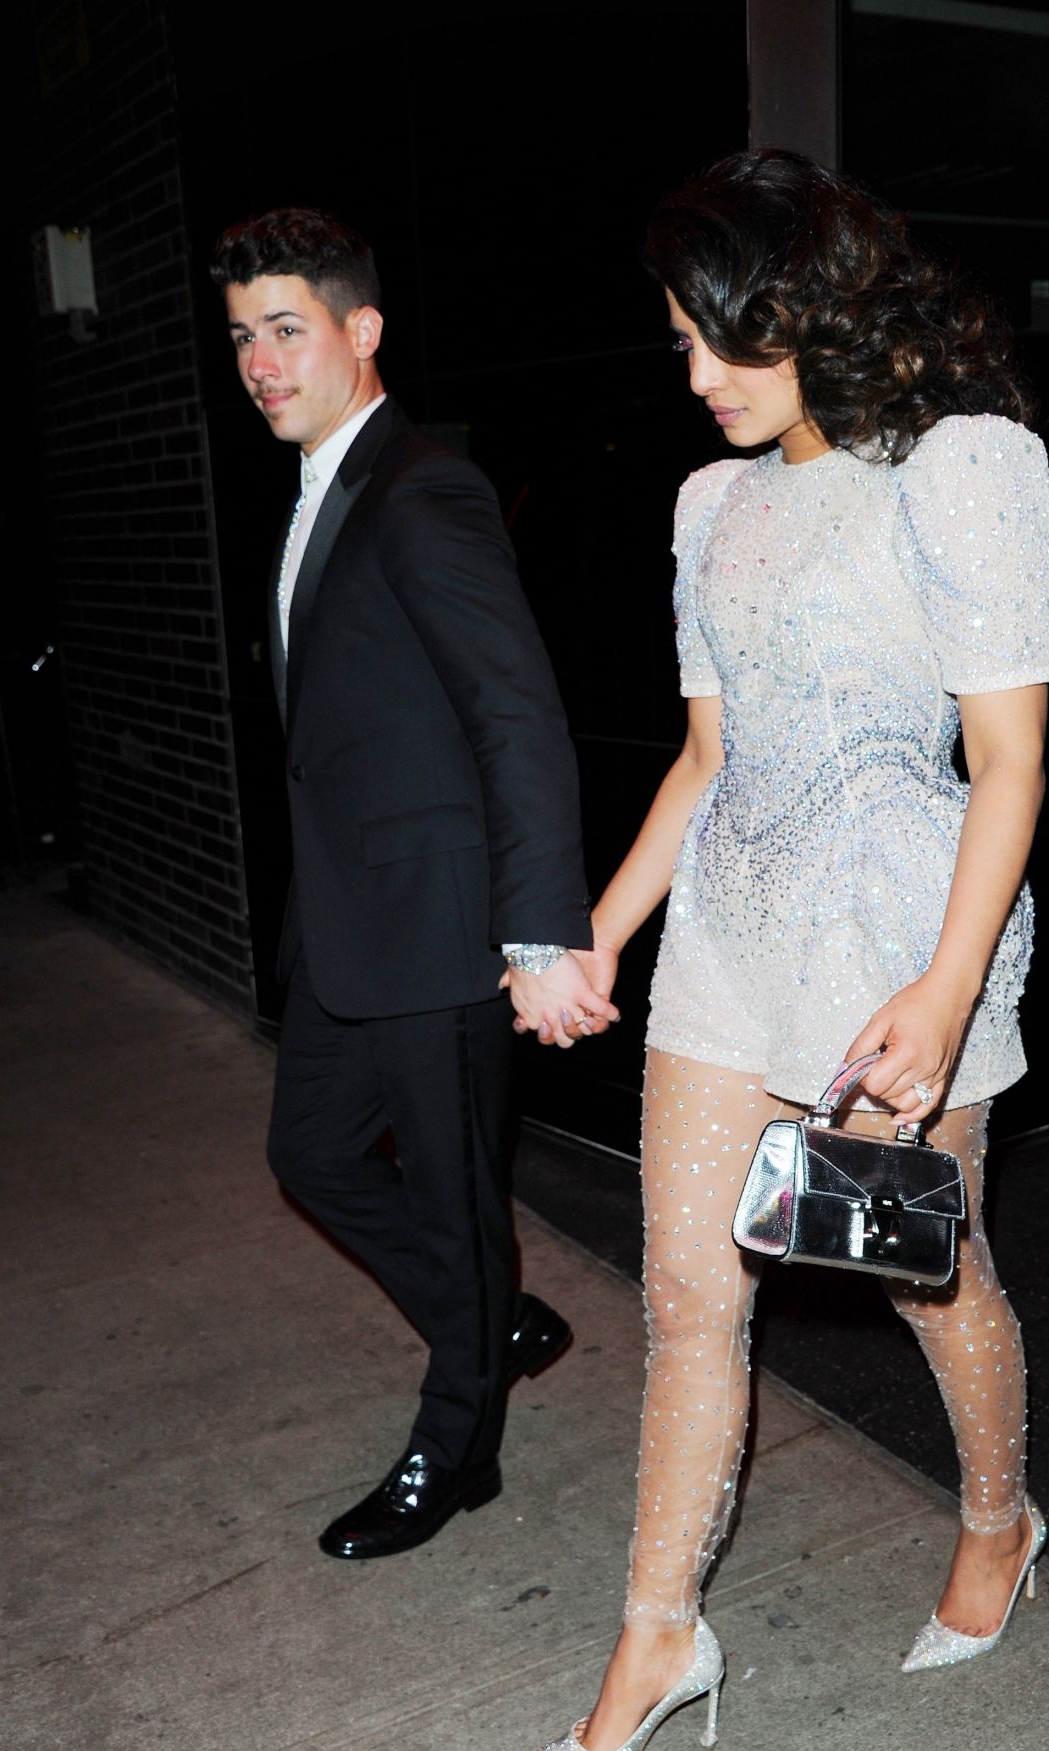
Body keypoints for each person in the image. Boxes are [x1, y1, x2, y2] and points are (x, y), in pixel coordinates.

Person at [514, 150, 1049, 1751]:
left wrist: (948, 991)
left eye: (715, 339)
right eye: (679, 342)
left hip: (902, 939)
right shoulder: (710, 505)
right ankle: (660, 1630)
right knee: (691, 1293)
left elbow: (1011, 765)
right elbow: (703, 760)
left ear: (805, 312)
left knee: (922, 1269)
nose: (692, 377)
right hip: (732, 937)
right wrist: (600, 930)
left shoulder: (962, 467)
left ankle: (998, 1518)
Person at [210, 209, 615, 1562]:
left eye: (286, 330)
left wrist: (542, 928)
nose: (260, 363)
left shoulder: (421, 487)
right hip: (347, 925)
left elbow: (516, 713)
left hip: (445, 931)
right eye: (241, 338)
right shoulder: (324, 485)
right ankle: (492, 1318)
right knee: (310, 1156)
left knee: (451, 1193)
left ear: (359, 329)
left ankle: (459, 1446)